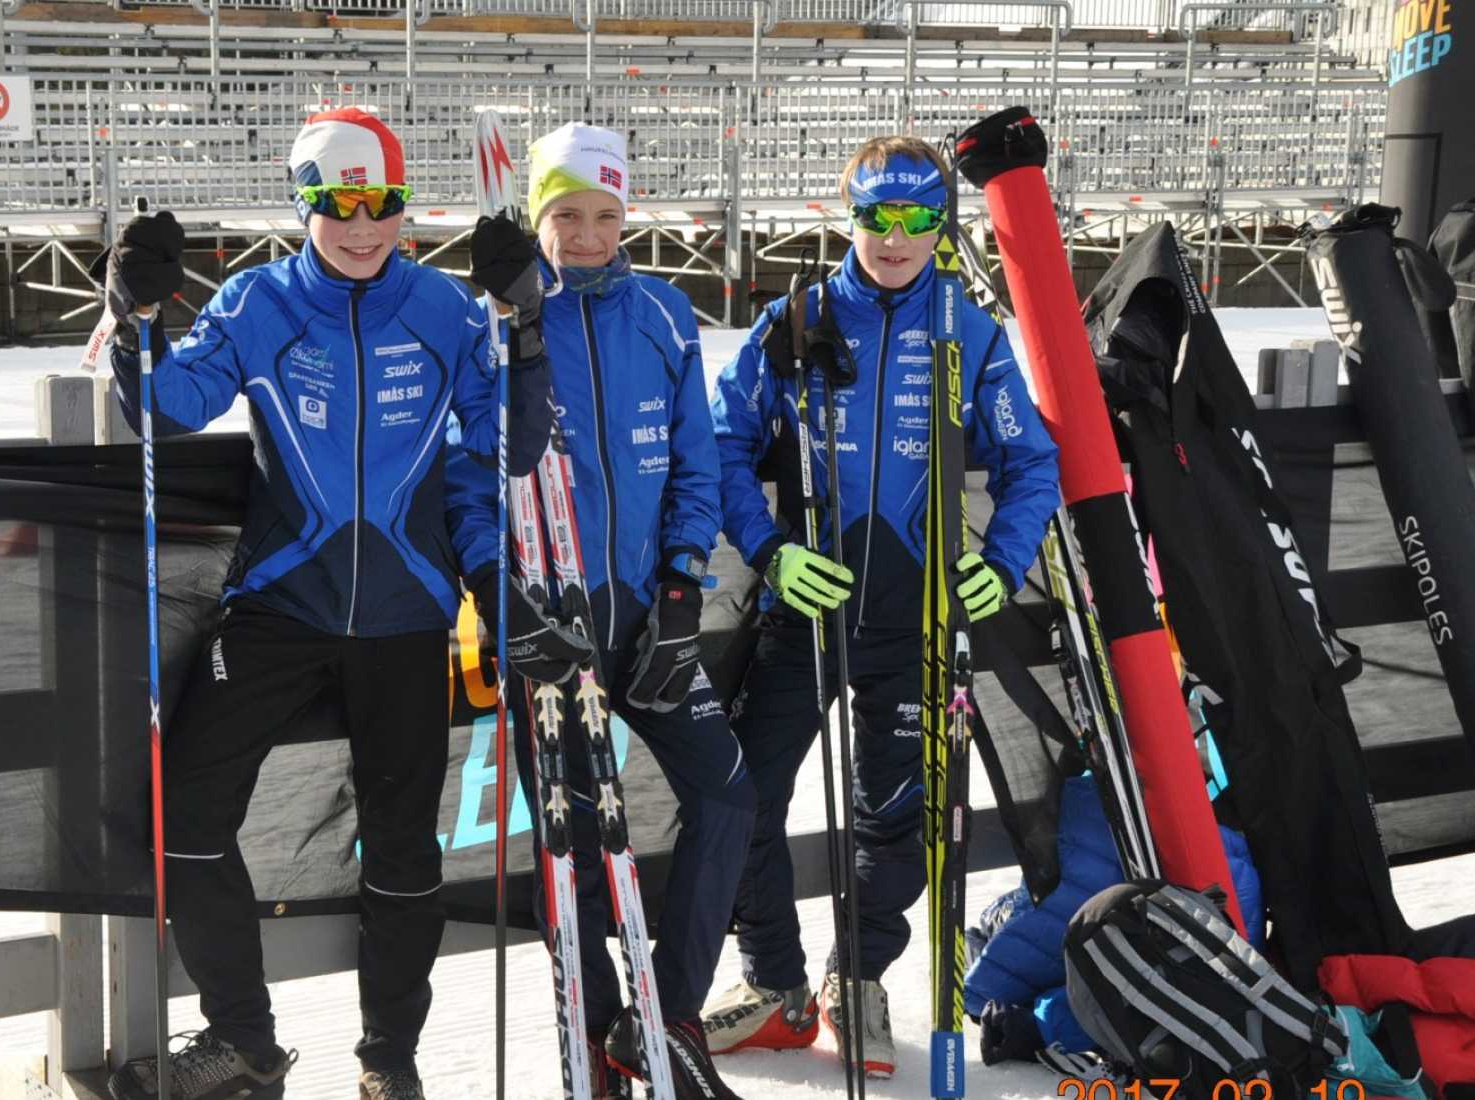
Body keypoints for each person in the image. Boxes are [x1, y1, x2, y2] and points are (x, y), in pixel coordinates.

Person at [94, 107, 552, 1100]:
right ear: (303, 203)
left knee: (402, 848)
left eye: (382, 202)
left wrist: (524, 321)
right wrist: (136, 314)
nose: (362, 225)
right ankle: (244, 1041)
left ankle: (390, 1054)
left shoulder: (441, 309)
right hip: (278, 607)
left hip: (407, 613)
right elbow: (169, 407)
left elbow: (511, 443)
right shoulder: (261, 300)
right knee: (184, 817)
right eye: (339, 205)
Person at [702, 135, 1061, 1078]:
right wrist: (770, 550)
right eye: (876, 216)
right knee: (740, 793)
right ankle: (775, 987)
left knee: (896, 812)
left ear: (942, 222)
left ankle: (856, 979)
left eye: (917, 218)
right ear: (848, 215)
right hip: (805, 607)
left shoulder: (969, 330)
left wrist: (1002, 561)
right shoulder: (795, 320)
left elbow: (1033, 462)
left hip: (914, 617)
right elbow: (722, 445)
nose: (895, 237)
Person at [446, 122, 757, 1100]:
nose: (586, 235)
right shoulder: (492, 320)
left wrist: (682, 589)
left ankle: (664, 1020)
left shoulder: (663, 313)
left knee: (728, 795)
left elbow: (696, 462)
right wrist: (502, 597)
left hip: (645, 615)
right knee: (572, 842)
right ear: (538, 216)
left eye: (605, 215)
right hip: (551, 615)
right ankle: (594, 1031)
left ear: (628, 215)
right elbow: (469, 479)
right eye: (566, 215)